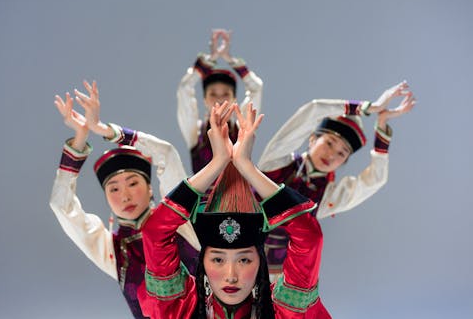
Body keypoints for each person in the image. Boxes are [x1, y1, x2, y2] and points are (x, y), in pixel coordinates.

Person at [138, 101, 332, 318]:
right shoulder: (182, 307)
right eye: (218, 260)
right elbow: (154, 232)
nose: (231, 276)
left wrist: (247, 166)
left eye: (244, 260)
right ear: (202, 261)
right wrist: (217, 162)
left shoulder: (282, 312)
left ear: (261, 262)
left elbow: (310, 238)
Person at [50, 81, 200, 318]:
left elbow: (167, 155)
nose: (126, 195)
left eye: (132, 183)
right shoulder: (114, 251)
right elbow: (61, 206)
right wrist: (79, 139)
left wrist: (104, 130)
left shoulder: (180, 224)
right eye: (114, 189)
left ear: (151, 188)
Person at [257, 81, 416, 274]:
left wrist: (381, 126)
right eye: (330, 143)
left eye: (342, 154)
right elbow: (313, 109)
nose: (331, 155)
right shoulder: (277, 162)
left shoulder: (327, 195)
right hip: (228, 255)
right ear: (312, 139)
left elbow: (374, 180)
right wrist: (369, 108)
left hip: (274, 277)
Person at [177, 29, 263, 173]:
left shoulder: (241, 127)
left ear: (234, 99)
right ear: (204, 100)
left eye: (225, 94)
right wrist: (210, 59)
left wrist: (230, 60)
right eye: (213, 94)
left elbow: (256, 88)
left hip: (242, 195)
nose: (219, 99)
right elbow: (185, 88)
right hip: (204, 196)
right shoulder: (196, 132)